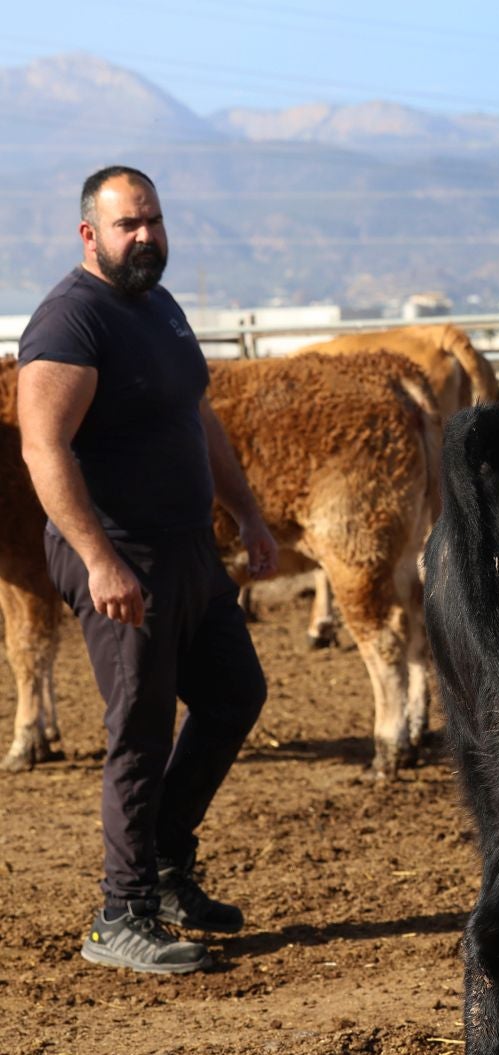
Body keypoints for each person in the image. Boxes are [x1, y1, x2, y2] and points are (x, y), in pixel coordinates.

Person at [17, 165, 278, 975]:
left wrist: (249, 513)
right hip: (121, 557)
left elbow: (198, 417)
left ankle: (165, 867)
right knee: (139, 727)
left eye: (154, 221)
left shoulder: (158, 308)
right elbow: (42, 446)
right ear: (89, 234)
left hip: (189, 550)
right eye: (129, 225)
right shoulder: (69, 322)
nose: (147, 237)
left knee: (236, 695)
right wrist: (99, 559)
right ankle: (117, 915)